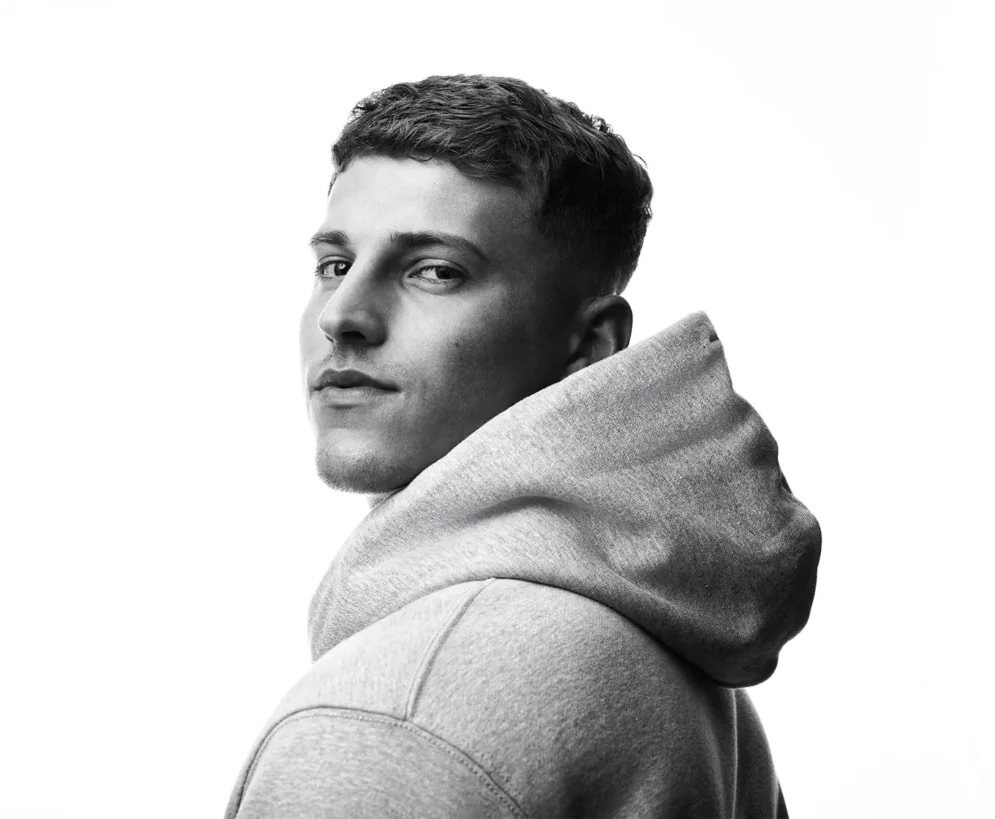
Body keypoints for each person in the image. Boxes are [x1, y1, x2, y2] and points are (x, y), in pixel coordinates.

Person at [223, 74, 821, 819]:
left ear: (589, 346)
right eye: (334, 266)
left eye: (435, 271)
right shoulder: (682, 667)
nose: (342, 315)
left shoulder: (396, 723)